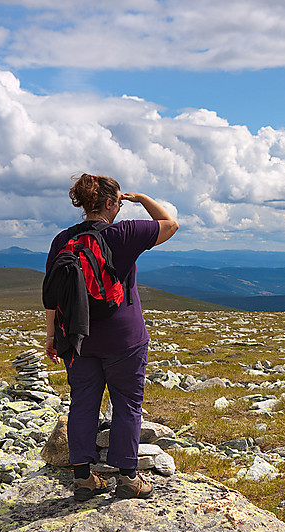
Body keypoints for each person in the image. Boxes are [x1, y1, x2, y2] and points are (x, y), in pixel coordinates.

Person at [44, 173, 178, 501]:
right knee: (127, 404)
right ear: (109, 203)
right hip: (124, 338)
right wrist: (142, 198)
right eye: (117, 201)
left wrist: (52, 335)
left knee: (83, 404)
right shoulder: (125, 232)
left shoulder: (62, 240)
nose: (120, 205)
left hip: (78, 338)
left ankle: (83, 479)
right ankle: (128, 479)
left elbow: (50, 293)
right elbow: (170, 224)